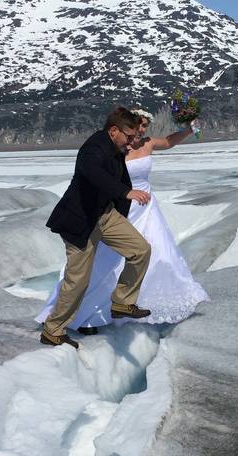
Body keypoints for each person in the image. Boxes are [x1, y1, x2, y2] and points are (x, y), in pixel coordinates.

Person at [36, 109, 208, 330]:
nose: (141, 130)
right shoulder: (106, 148)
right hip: (107, 210)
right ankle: (75, 319)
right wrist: (125, 192)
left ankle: (127, 303)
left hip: (138, 209)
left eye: (145, 126)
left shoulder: (140, 144)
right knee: (94, 270)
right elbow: (93, 172)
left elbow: (168, 141)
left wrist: (189, 129)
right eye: (137, 126)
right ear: (119, 129)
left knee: (151, 253)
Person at [40, 107, 153, 348]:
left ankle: (122, 301)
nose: (133, 142)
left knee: (140, 250)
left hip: (105, 215)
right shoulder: (93, 148)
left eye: (135, 137)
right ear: (114, 131)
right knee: (78, 280)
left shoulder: (117, 149)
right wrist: (126, 192)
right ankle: (53, 330)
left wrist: (121, 214)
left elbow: (122, 180)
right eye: (129, 137)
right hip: (80, 220)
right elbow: (93, 174)